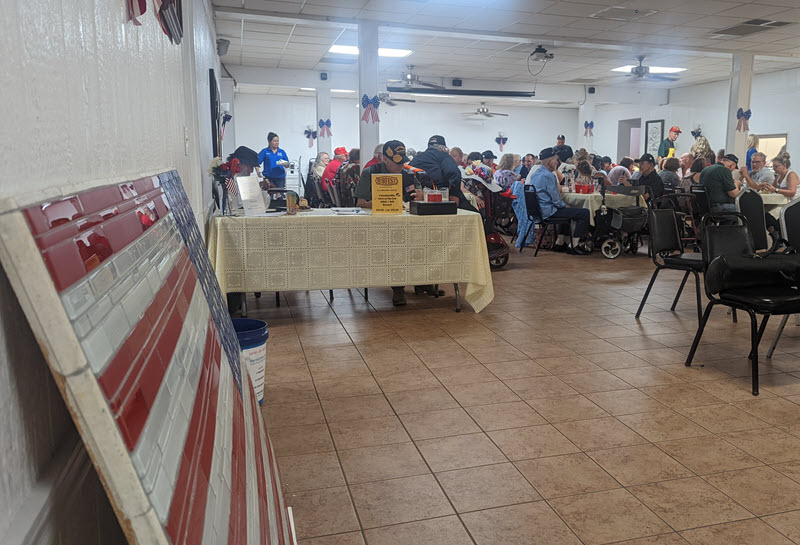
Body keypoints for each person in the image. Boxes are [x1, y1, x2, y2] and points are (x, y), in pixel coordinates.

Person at [353, 141, 422, 306]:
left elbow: (419, 196)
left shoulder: (408, 175)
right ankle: (398, 288)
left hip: (407, 224)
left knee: (423, 239)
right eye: (397, 162)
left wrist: (420, 196)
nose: (401, 165)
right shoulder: (369, 173)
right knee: (397, 244)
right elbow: (360, 203)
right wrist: (386, 203)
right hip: (379, 226)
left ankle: (424, 282)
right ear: (384, 158)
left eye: (402, 161)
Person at [530, 147, 591, 255]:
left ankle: (561, 242)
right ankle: (575, 245)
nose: (557, 162)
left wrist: (563, 206)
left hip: (539, 211)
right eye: (556, 160)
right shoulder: (549, 176)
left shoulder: (536, 174)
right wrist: (563, 205)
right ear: (550, 161)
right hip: (549, 211)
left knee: (566, 211)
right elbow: (555, 199)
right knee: (584, 213)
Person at [411, 135, 477, 211]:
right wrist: (454, 195)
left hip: (418, 198)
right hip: (441, 197)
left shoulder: (416, 158)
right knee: (476, 214)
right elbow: (454, 173)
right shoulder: (444, 156)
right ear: (443, 148)